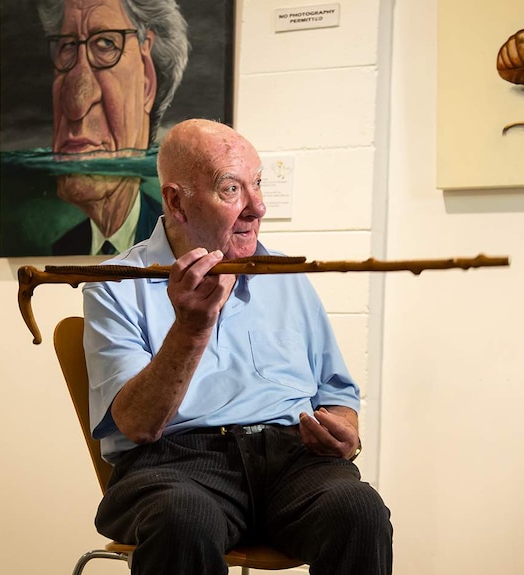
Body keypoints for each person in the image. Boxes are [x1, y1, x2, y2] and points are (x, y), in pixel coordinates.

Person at [82, 118, 393, 575]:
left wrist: (344, 428)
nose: (258, 207)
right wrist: (190, 329)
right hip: (177, 464)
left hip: (292, 461)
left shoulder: (285, 275)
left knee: (359, 510)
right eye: (231, 189)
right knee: (184, 519)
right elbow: (137, 425)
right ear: (175, 201)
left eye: (259, 184)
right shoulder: (116, 285)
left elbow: (336, 392)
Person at [36, 0, 189, 255]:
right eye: (68, 46)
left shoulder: (178, 243)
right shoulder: (64, 247)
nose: (76, 103)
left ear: (146, 82)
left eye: (106, 44)